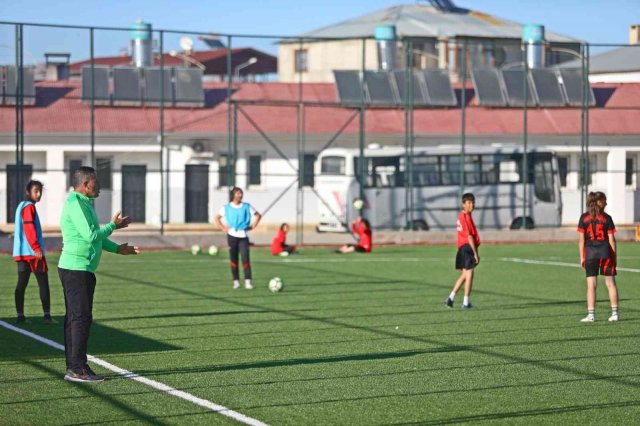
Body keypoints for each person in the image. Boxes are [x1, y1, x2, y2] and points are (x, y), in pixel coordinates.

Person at [59, 166, 140, 383]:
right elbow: (90, 236)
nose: (100, 186)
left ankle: (75, 366)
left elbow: (96, 237)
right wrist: (113, 225)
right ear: (85, 185)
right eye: (96, 182)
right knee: (79, 319)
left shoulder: (85, 203)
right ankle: (77, 368)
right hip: (76, 269)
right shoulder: (75, 203)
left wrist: (117, 249)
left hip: (81, 269)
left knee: (77, 318)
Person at [13, 180, 53, 325]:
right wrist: (36, 248)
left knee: (21, 285)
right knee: (43, 283)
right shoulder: (29, 207)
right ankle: (47, 317)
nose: (39, 194)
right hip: (33, 253)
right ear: (27, 192)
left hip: (21, 253)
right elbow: (29, 229)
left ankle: (20, 316)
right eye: (36, 191)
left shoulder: (20, 207)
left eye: (40, 191)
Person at [577, 191, 619, 322]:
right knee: (610, 284)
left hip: (590, 254)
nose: (606, 203)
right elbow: (612, 240)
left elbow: (581, 240)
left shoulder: (584, 218)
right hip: (606, 252)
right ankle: (615, 313)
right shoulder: (607, 218)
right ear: (598, 202)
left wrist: (581, 257)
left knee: (591, 285)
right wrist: (614, 256)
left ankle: (591, 315)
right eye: (604, 200)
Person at [215, 187, 262, 289]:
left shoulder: (247, 206)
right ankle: (236, 281)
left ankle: (248, 281)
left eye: (241, 193)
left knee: (245, 258)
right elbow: (217, 218)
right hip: (232, 236)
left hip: (244, 236)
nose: (240, 195)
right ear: (233, 195)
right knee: (234, 258)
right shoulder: (226, 207)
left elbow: (258, 215)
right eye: (238, 193)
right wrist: (223, 228)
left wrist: (253, 226)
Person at [445, 193, 480, 309]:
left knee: (465, 275)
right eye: (469, 203)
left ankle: (450, 298)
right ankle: (466, 302)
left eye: (473, 202)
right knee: (470, 274)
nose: (472, 205)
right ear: (463, 204)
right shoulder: (465, 216)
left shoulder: (464, 215)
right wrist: (475, 253)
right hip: (466, 248)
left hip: (463, 248)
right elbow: (469, 236)